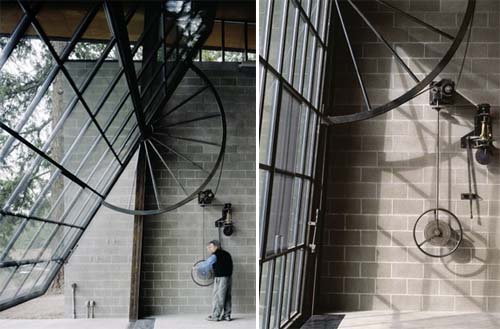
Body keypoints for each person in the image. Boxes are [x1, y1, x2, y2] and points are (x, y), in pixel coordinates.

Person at [196, 240, 233, 321]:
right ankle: (227, 315)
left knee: (218, 297)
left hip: (220, 278)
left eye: (210, 247)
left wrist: (196, 267)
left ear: (216, 246)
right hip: (229, 278)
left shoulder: (215, 255)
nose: (209, 248)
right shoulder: (227, 254)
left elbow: (206, 265)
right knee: (227, 296)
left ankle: (215, 316)